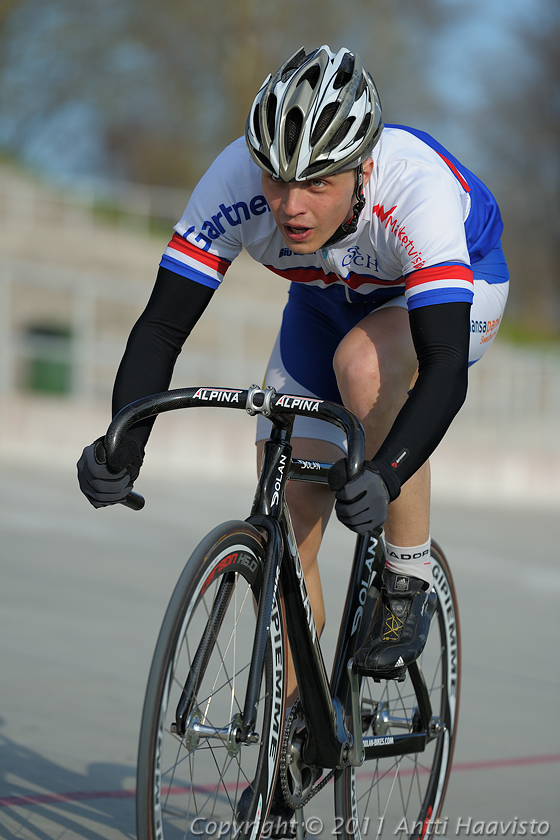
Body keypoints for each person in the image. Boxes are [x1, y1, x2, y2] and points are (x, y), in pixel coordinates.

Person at [78, 42, 507, 734]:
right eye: (277, 182)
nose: (290, 204)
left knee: (364, 366)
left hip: (455, 295)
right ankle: (295, 739)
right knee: (285, 526)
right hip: (323, 305)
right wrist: (124, 439)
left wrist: (388, 474)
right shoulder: (232, 181)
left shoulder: (414, 190)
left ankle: (406, 576)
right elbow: (161, 327)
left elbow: (444, 369)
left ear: (363, 169)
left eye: (316, 184)